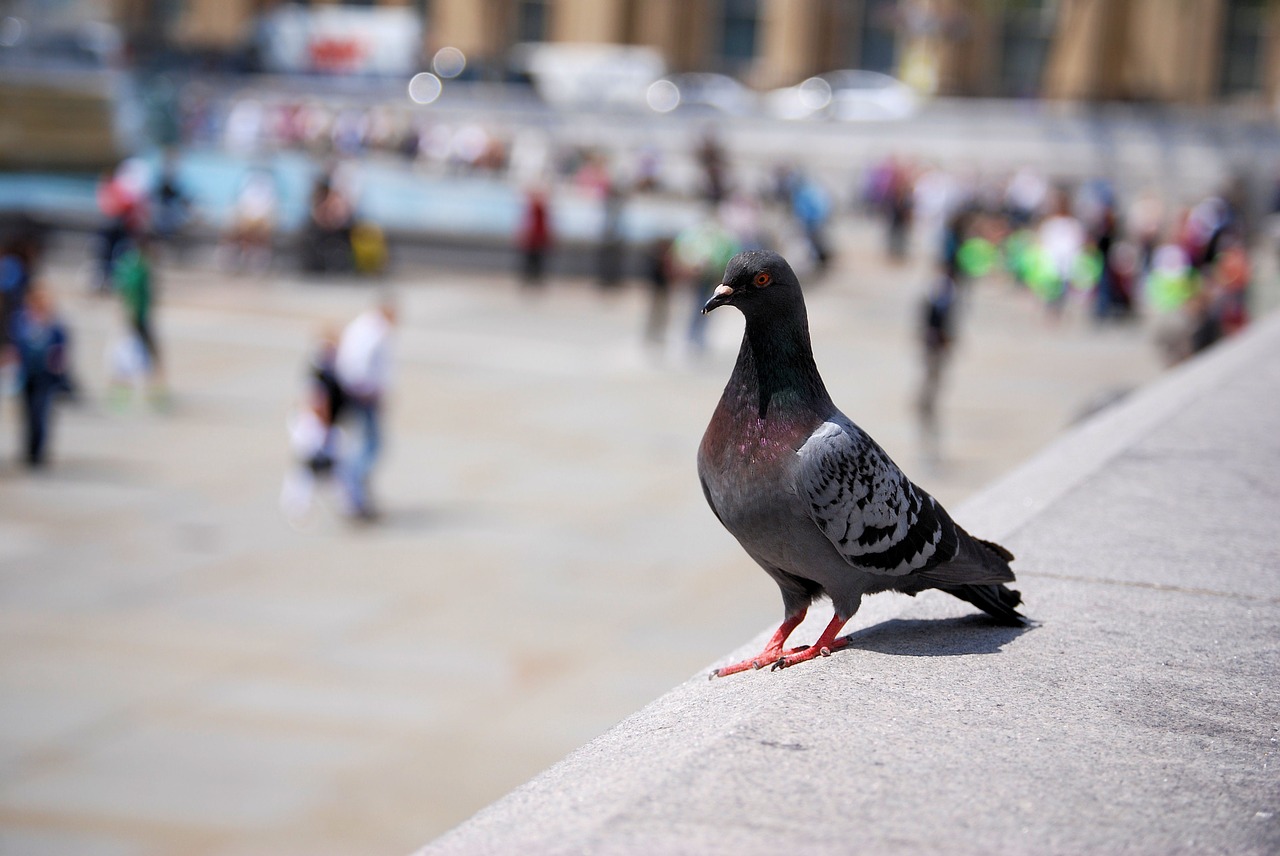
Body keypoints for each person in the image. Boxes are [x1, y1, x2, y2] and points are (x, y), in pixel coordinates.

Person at [335, 299, 396, 519]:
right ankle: (354, 493)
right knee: (370, 445)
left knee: (364, 443)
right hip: (364, 396)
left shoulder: (364, 326)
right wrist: (367, 391)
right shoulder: (373, 331)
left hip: (360, 394)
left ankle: (356, 495)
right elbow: (358, 363)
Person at [11, 287, 69, 467]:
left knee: (41, 413)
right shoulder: (21, 321)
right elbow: (13, 345)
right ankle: (29, 451)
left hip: (46, 376)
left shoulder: (53, 325)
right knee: (28, 415)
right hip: (26, 375)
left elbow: (60, 349)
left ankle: (38, 453)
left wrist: (59, 372)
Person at [112, 234, 166, 403]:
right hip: (138, 317)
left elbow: (122, 289)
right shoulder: (140, 267)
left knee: (130, 352)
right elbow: (132, 292)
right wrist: (132, 315)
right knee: (145, 353)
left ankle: (126, 389)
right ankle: (152, 390)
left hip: (135, 315)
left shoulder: (130, 263)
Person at [918, 268, 957, 466]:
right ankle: (926, 400)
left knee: (933, 375)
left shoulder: (942, 297)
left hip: (936, 346)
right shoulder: (939, 297)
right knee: (931, 374)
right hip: (934, 346)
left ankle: (928, 400)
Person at [517, 186, 553, 288]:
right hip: (532, 239)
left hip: (538, 239)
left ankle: (536, 279)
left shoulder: (541, 210)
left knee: (538, 261)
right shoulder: (533, 209)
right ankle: (529, 279)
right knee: (530, 261)